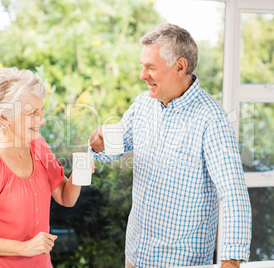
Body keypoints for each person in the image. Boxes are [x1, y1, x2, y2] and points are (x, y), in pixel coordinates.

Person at [89, 23, 252, 268]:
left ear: (180, 66)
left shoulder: (211, 119)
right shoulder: (143, 104)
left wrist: (230, 263)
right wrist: (99, 145)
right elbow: (113, 147)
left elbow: (233, 195)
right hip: (135, 255)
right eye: (142, 66)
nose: (142, 75)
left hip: (180, 262)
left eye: (150, 67)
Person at [0, 67, 94, 267]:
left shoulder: (38, 145)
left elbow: (65, 197)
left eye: (41, 110)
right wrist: (23, 248)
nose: (42, 119)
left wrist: (79, 174)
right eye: (33, 113)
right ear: (3, 117)